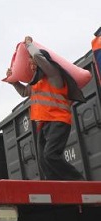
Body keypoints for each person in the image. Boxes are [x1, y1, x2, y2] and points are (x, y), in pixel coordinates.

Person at [5, 36, 85, 180]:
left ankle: (79, 183)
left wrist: (29, 45)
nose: (31, 64)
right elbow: (24, 92)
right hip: (43, 124)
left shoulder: (54, 75)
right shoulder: (37, 83)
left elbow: (39, 57)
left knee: (51, 155)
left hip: (58, 121)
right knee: (43, 161)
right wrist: (14, 82)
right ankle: (57, 189)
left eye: (33, 62)